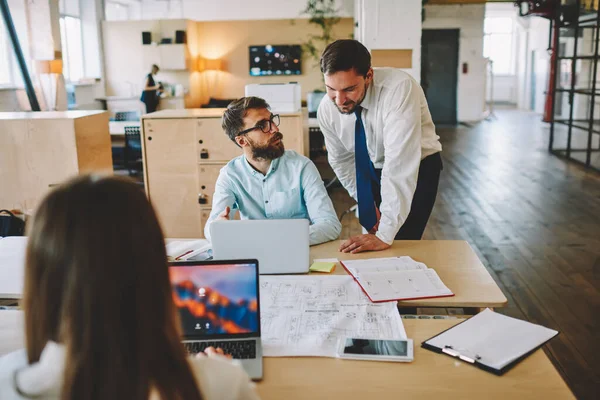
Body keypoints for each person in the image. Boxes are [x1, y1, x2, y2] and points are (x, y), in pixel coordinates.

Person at [0, 175, 259, 400]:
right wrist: (213, 370)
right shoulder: (220, 385)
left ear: (38, 282)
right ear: (156, 274)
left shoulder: (6, 383)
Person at [317, 39, 443, 254]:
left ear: (369, 76)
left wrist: (385, 233)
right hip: (369, 167)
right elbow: (341, 160)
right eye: (331, 89)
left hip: (416, 166)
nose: (339, 100)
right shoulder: (327, 108)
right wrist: (364, 199)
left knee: (399, 242)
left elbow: (399, 165)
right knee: (371, 239)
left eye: (349, 89)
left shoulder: (399, 89)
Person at [204, 96, 341, 245]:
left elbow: (330, 225)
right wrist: (218, 227)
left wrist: (275, 240)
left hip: (298, 253)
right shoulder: (230, 175)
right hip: (256, 257)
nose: (275, 129)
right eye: (263, 126)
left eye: (272, 121)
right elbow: (211, 229)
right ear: (242, 141)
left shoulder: (301, 166)